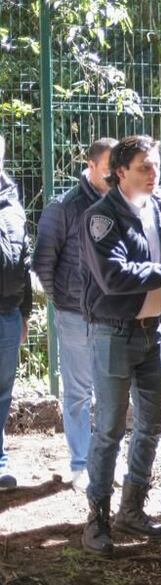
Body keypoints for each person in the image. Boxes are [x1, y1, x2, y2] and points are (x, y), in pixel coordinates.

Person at [79, 135, 161, 554]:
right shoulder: (100, 217)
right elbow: (114, 277)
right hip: (114, 332)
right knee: (109, 430)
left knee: (153, 424)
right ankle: (96, 520)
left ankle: (132, 509)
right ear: (120, 172)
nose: (153, 174)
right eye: (144, 167)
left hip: (157, 331)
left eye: (155, 165)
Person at [34, 137, 117, 492]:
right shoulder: (64, 206)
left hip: (115, 315)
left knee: (111, 391)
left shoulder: (123, 203)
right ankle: (80, 464)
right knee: (79, 393)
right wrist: (65, 301)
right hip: (75, 315)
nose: (115, 176)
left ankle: (105, 463)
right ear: (91, 165)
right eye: (109, 170)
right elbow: (43, 262)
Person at [0, 135, 32, 491]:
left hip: (8, 315)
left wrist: (25, 312)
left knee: (2, 393)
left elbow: (23, 259)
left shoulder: (11, 201)